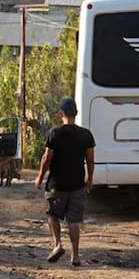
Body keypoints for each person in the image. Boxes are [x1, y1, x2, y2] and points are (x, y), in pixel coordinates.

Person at [34, 98, 95, 268]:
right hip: (77, 184)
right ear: (76, 113)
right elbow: (90, 160)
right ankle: (75, 256)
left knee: (53, 215)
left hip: (57, 184)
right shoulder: (86, 135)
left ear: (61, 114)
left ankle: (58, 244)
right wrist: (89, 179)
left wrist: (40, 176)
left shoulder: (55, 133)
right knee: (73, 221)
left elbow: (47, 158)